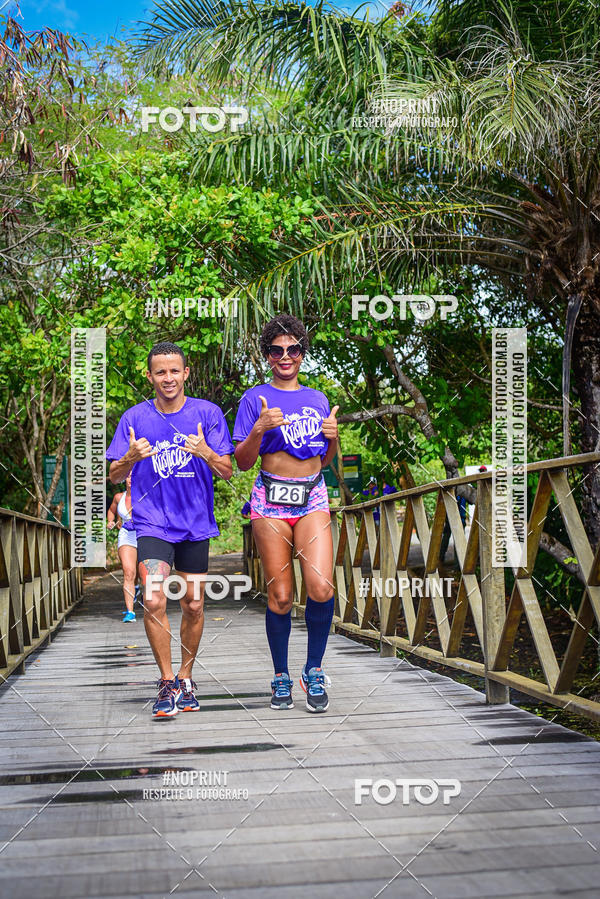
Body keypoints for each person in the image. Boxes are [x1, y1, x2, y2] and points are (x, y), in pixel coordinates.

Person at [106, 341, 234, 718]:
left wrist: (205, 452)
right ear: (149, 376)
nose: (168, 378)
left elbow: (227, 470)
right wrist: (129, 458)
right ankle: (165, 681)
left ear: (185, 373)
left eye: (174, 370)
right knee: (156, 600)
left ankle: (186, 676)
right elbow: (113, 473)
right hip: (152, 522)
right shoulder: (134, 417)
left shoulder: (207, 414)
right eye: (160, 372)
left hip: (195, 523)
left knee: (193, 604)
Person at [233, 314, 339, 713]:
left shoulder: (317, 398)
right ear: (267, 355)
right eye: (277, 350)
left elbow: (324, 459)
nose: (285, 356)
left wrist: (334, 439)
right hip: (270, 500)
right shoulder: (253, 398)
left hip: (312, 496)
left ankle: (313, 669)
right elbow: (242, 463)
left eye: (293, 349)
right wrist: (259, 428)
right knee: (280, 596)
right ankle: (280, 675)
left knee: (322, 588)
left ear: (302, 353)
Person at [107, 475, 139, 622]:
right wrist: (111, 521)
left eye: (135, 475)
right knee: (128, 572)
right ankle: (130, 612)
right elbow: (112, 511)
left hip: (145, 534)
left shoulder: (148, 495)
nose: (131, 478)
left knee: (145, 575)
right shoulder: (119, 497)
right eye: (129, 476)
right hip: (126, 535)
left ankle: (141, 592)